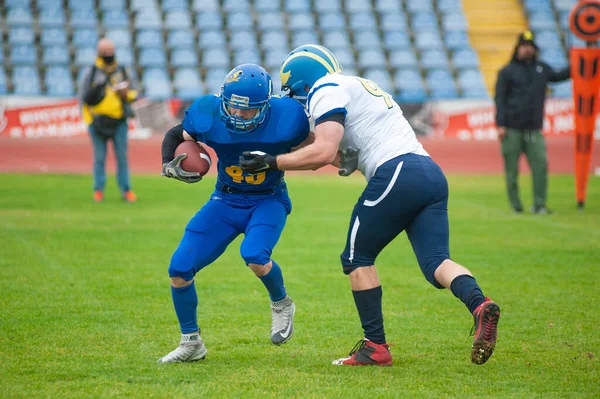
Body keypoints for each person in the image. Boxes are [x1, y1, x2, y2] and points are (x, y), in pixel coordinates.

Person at [240, 45, 501, 366]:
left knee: (355, 257)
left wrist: (272, 161)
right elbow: (338, 155)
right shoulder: (356, 86)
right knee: (436, 262)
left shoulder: (325, 88)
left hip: (397, 172)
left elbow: (323, 151)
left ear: (304, 84)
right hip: (429, 173)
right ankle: (480, 305)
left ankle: (375, 347)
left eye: (295, 94)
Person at [157, 64, 311, 363]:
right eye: (232, 107)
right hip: (224, 200)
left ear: (265, 107)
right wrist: (167, 164)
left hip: (268, 199)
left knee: (254, 255)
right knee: (179, 268)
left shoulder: (287, 119)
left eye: (247, 111)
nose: (238, 116)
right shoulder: (208, 112)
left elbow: (316, 151)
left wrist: (275, 161)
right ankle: (191, 343)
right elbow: (176, 134)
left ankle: (281, 303)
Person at [495, 31, 570, 215]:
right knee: (512, 172)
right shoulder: (506, 71)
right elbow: (500, 99)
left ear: (534, 49)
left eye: (530, 46)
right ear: (517, 49)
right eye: (524, 46)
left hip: (534, 128)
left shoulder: (542, 69)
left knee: (541, 166)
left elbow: (560, 76)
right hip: (512, 128)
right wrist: (501, 124)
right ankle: (516, 206)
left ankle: (539, 204)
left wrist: (578, 60)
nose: (527, 49)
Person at [78, 38, 138, 203]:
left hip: (119, 121)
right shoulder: (91, 72)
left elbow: (134, 92)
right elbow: (83, 98)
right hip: (97, 122)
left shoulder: (122, 70)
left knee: (122, 157)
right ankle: (98, 190)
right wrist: (89, 121)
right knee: (99, 158)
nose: (109, 54)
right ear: (99, 53)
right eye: (105, 52)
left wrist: (126, 94)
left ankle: (126, 190)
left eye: (111, 51)